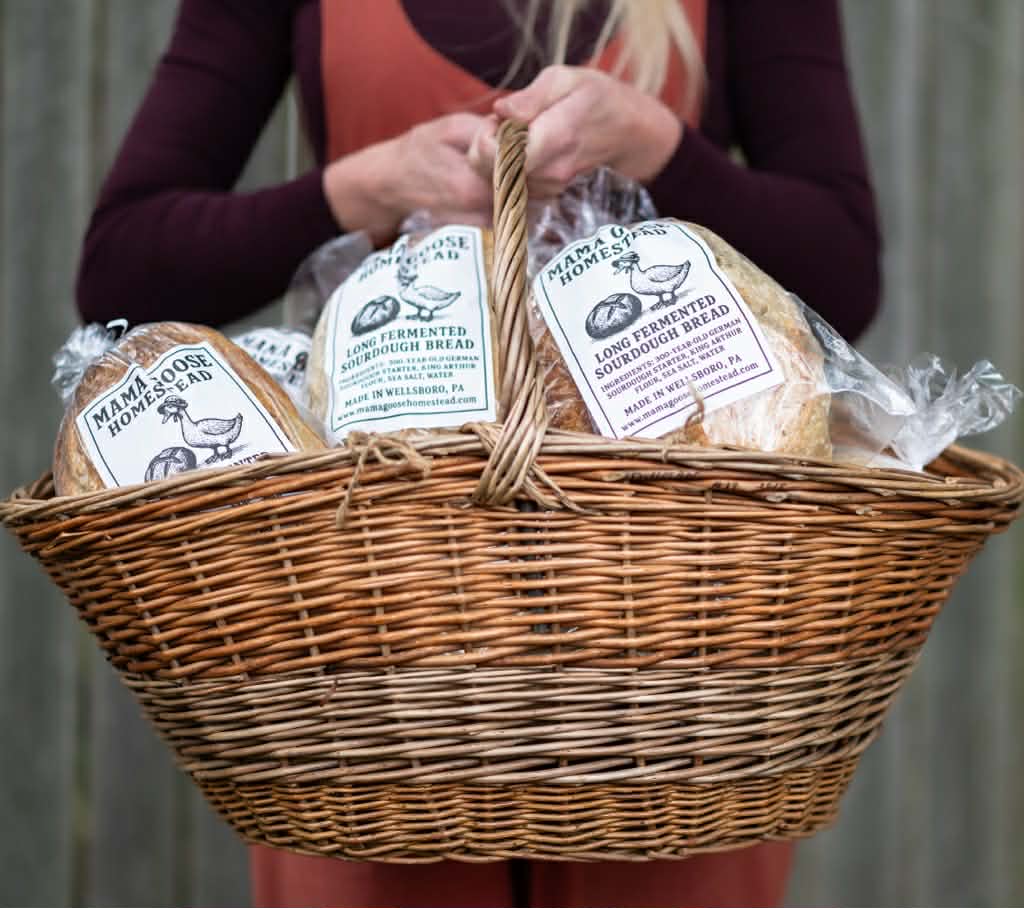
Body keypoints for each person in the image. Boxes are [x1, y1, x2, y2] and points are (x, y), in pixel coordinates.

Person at [75, 2, 881, 906]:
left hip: (666, 680)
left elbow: (843, 270)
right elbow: (122, 271)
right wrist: (367, 186)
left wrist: (657, 146)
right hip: (383, 682)